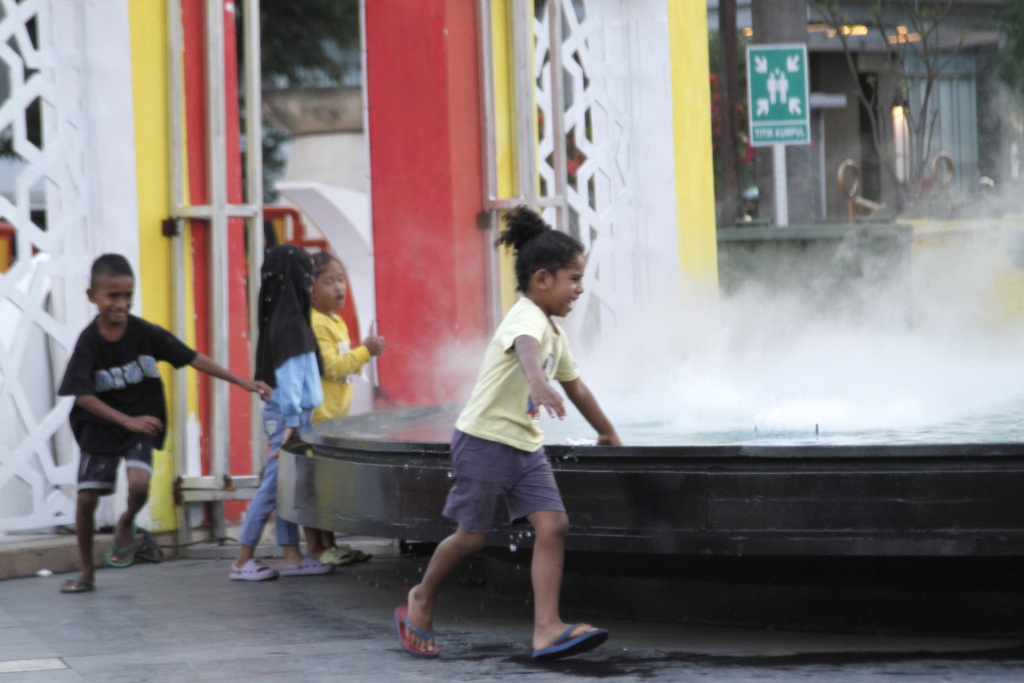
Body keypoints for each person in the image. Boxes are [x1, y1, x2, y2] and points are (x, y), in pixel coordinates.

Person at [395, 206, 621, 660]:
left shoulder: (555, 334)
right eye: (573, 278)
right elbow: (525, 349)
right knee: (471, 537)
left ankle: (546, 629)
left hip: (524, 446)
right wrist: (537, 381)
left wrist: (608, 432)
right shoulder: (527, 318)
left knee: (553, 525)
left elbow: (575, 386)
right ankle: (421, 596)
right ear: (542, 279)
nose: (579, 289)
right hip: (484, 440)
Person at [57, 254, 273, 594]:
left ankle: (127, 523)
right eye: (112, 296)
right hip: (100, 428)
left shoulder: (145, 333)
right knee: (86, 499)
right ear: (92, 296)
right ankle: (86, 570)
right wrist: (126, 420)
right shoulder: (88, 342)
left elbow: (192, 357)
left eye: (128, 295)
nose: (122, 303)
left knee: (139, 485)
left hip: (142, 425)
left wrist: (242, 382)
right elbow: (81, 395)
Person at [230, 244, 335, 581]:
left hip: (294, 416)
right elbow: (289, 381)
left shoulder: (287, 318)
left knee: (286, 486)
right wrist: (292, 422)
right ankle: (242, 558)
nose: (310, 284)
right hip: (288, 417)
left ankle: (292, 556)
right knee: (274, 486)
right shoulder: (290, 324)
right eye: (306, 277)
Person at [304, 251, 386, 566]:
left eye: (341, 280)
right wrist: (365, 351)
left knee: (327, 487)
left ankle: (330, 545)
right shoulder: (316, 323)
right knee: (316, 488)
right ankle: (317, 547)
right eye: (329, 282)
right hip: (319, 419)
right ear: (310, 290)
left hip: (334, 420)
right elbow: (332, 367)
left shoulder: (334, 320)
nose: (339, 288)